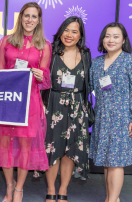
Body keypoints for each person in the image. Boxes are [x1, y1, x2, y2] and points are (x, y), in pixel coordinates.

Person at [0, 2, 52, 202]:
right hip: (7, 101)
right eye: (26, 16)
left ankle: (19, 189)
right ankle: (9, 185)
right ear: (21, 18)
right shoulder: (6, 41)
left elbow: (46, 78)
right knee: (4, 144)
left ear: (39, 20)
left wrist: (42, 74)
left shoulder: (44, 45)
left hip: (30, 103)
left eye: (34, 16)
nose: (30, 20)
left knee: (25, 147)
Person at [89, 22, 132, 202]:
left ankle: (112, 200)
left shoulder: (131, 61)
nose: (111, 40)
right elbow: (89, 87)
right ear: (102, 39)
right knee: (107, 162)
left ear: (123, 40)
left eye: (115, 36)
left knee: (116, 162)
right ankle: (111, 198)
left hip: (122, 119)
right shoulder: (96, 63)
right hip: (102, 118)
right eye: (107, 36)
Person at [43, 17, 92, 202]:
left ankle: (63, 191)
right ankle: (50, 190)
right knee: (52, 149)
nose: (69, 35)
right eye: (66, 30)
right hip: (53, 105)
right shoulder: (52, 51)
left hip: (77, 107)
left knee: (70, 151)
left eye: (74, 31)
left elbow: (89, 82)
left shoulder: (86, 53)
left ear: (80, 35)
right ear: (61, 31)